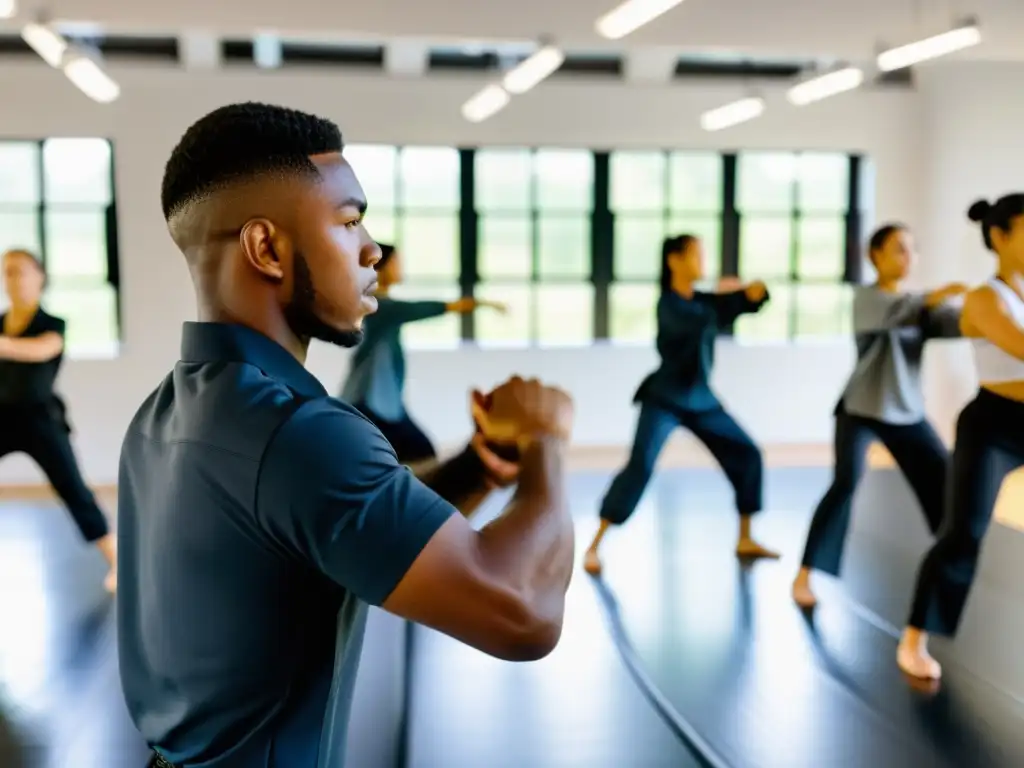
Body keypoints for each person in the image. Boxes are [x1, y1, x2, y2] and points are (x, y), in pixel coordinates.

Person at [118, 102, 575, 768]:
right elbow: (524, 612)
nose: (373, 250)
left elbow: (323, 527)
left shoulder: (165, 413)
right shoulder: (298, 434)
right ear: (266, 247)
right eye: (350, 221)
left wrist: (475, 468)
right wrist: (548, 440)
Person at [792, 224, 967, 608]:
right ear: (876, 256)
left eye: (911, 250)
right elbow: (898, 313)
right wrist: (937, 297)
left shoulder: (919, 306)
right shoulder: (868, 299)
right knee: (845, 484)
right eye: (898, 250)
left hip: (907, 412)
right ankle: (805, 574)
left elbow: (952, 322)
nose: (907, 257)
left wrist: (987, 311)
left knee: (944, 481)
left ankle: (950, 569)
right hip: (861, 410)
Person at [583, 234, 778, 575]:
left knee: (748, 454)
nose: (702, 261)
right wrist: (731, 295)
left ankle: (746, 538)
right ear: (674, 260)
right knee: (641, 465)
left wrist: (753, 292)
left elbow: (745, 303)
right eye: (695, 254)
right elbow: (701, 317)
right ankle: (595, 544)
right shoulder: (669, 305)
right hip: (665, 398)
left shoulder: (706, 301)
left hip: (702, 399)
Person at [898, 194, 1024, 681]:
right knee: (962, 532)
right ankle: (915, 637)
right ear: (1000, 237)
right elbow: (1019, 345)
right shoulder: (984, 298)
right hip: (994, 425)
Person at [0, 248, 116, 592]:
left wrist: (4, 345)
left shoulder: (52, 325)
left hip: (41, 422)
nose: (14, 279)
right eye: (8, 272)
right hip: (1, 417)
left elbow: (42, 349)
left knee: (73, 489)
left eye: (21, 271)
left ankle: (116, 560)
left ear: (40, 277)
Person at [341, 242, 506, 465]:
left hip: (384, 405)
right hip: (371, 402)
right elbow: (426, 308)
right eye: (396, 262)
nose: (401, 268)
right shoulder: (379, 306)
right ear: (380, 267)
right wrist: (481, 303)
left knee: (415, 455)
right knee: (421, 453)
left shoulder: (376, 304)